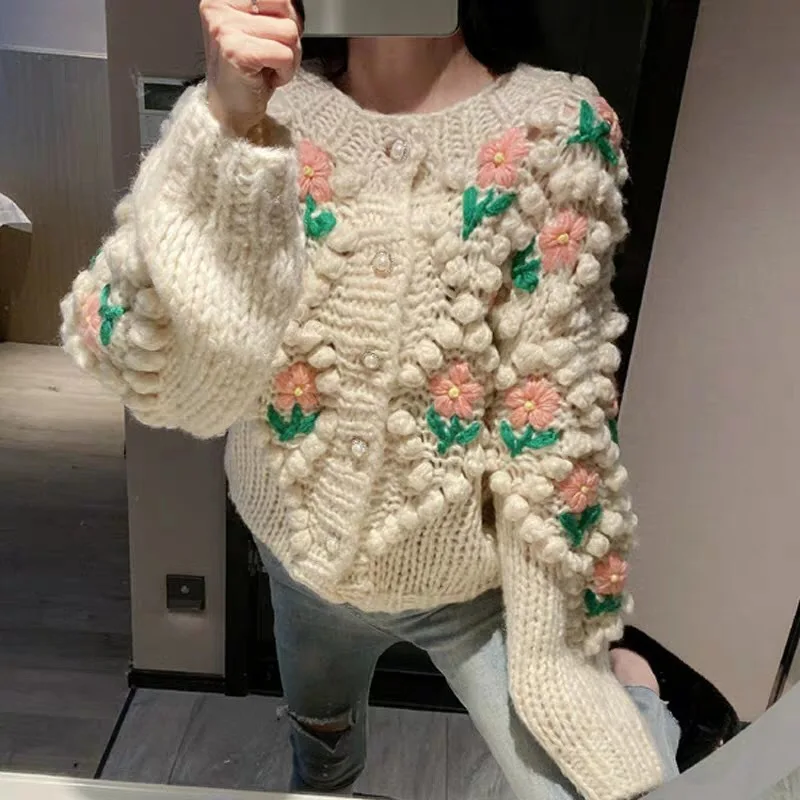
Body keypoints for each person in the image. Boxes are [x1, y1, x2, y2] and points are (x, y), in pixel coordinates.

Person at [60, 0, 682, 797]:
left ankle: (639, 691)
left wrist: (560, 659)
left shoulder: (558, 126)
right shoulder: (258, 110)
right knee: (321, 750)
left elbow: (555, 414)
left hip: (466, 593)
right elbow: (156, 369)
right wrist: (221, 126)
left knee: (614, 779)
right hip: (293, 560)